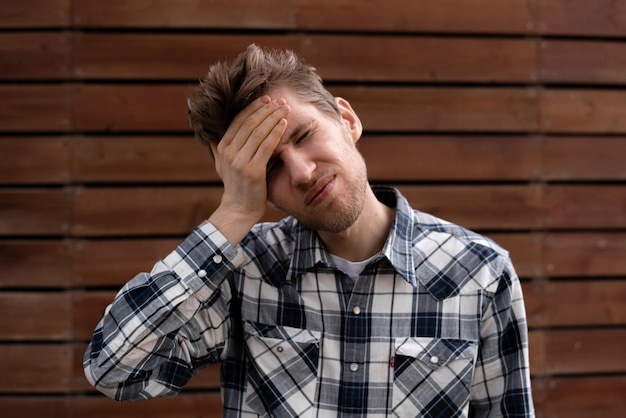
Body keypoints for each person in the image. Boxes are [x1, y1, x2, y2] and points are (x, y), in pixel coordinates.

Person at [84, 44, 534, 417]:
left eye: (302, 136)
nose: (300, 172)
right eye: (270, 164)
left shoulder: (480, 271)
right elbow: (114, 371)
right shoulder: (244, 270)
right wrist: (233, 213)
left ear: (348, 119)